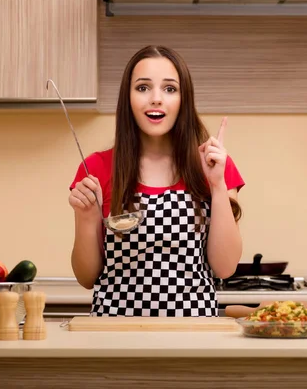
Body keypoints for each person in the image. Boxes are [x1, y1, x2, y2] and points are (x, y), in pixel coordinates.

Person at [68, 45, 245, 317]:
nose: (156, 99)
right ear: (127, 98)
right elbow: (86, 277)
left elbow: (225, 268)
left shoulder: (212, 165)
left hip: (194, 332)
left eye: (170, 89)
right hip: (113, 332)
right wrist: (85, 216)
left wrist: (218, 185)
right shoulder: (95, 168)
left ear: (183, 100)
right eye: (142, 88)